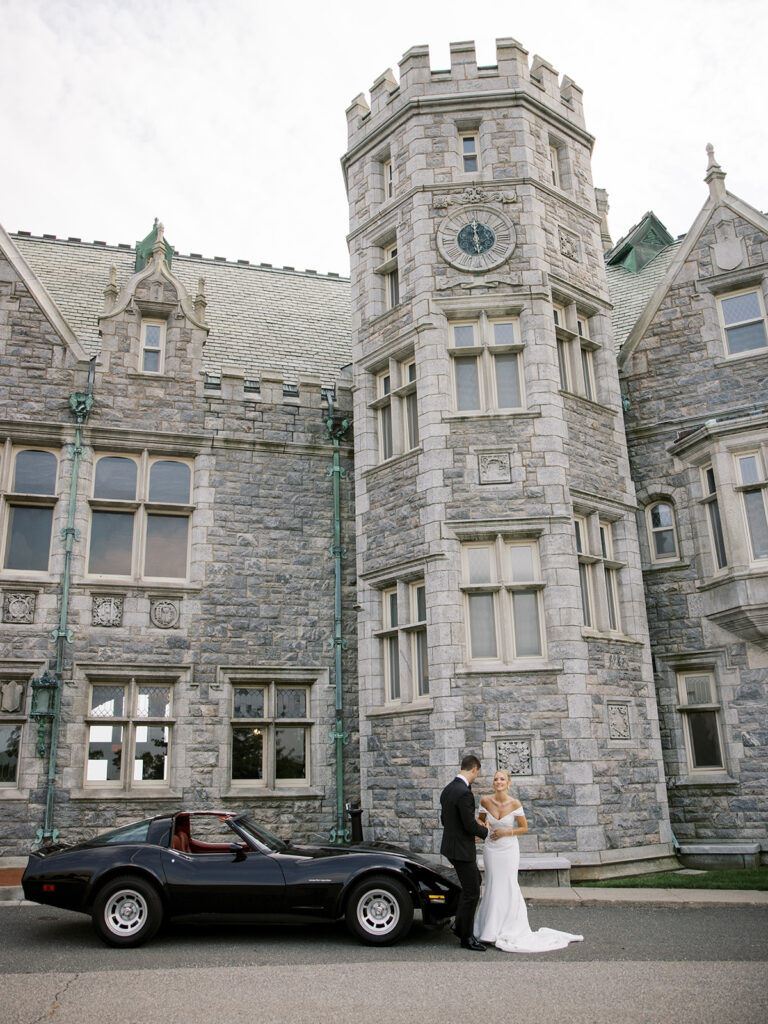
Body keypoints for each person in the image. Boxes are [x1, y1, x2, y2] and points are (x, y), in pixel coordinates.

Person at [474, 768, 584, 953]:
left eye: (502, 779)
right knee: (493, 884)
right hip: (491, 848)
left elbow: (524, 827)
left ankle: (510, 927)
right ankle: (488, 930)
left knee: (508, 883)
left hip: (508, 848)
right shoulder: (485, 801)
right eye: (495, 779)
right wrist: (483, 825)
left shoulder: (515, 803)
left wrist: (505, 832)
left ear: (508, 783)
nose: (498, 781)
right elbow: (479, 821)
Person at [439, 753, 489, 951]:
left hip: (451, 847)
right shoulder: (464, 793)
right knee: (472, 892)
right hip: (461, 850)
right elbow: (469, 824)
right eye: (477, 773)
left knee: (474, 881)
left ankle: (459, 924)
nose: (476, 776)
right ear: (474, 769)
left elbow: (446, 820)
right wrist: (486, 831)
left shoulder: (448, 789)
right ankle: (465, 937)